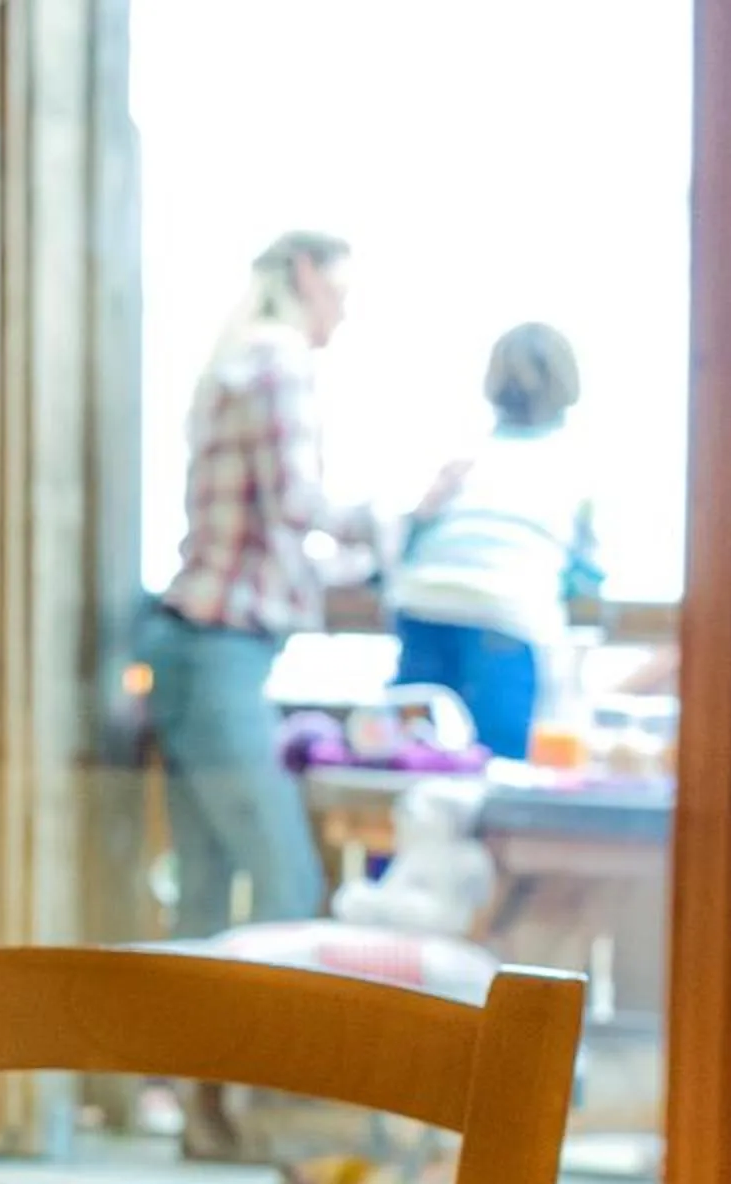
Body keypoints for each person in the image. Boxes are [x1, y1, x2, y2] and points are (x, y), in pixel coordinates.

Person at [143, 229, 365, 940]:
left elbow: (260, 534)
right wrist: (392, 528)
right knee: (288, 886)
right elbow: (297, 505)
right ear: (305, 274)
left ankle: (171, 1056)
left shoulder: (236, 361)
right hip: (221, 653)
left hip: (191, 646)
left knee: (203, 898)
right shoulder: (281, 361)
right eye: (341, 292)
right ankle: (256, 1055)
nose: (343, 313)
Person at [387, 322, 603, 760]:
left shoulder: (463, 457)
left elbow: (412, 536)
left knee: (418, 765)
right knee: (495, 773)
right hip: (505, 618)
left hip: (422, 608)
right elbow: (588, 575)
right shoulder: (573, 469)